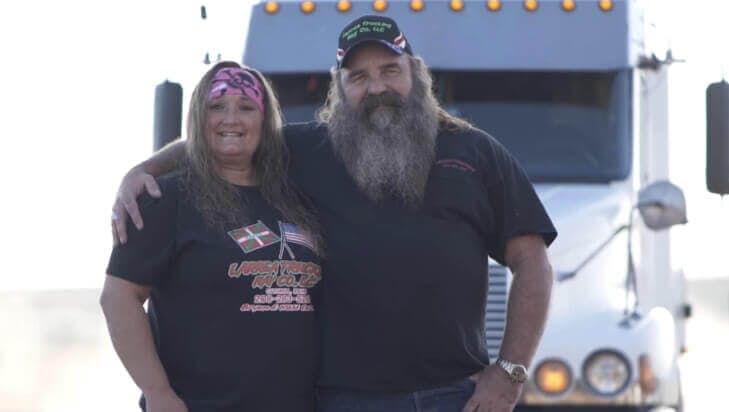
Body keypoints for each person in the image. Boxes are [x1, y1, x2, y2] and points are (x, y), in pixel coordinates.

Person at [112, 15, 556, 412]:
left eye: (389, 70)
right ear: (339, 86)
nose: (377, 86)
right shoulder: (309, 149)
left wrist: (511, 372)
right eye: (358, 76)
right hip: (341, 399)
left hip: (455, 395)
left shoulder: (476, 152)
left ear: (416, 74)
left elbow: (531, 260)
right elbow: (231, 134)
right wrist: (146, 168)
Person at [101, 61, 323, 412]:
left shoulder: (295, 199)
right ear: (198, 119)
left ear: (265, 121)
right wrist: (158, 392)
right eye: (216, 107)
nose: (231, 119)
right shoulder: (167, 198)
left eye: (246, 108)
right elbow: (118, 297)